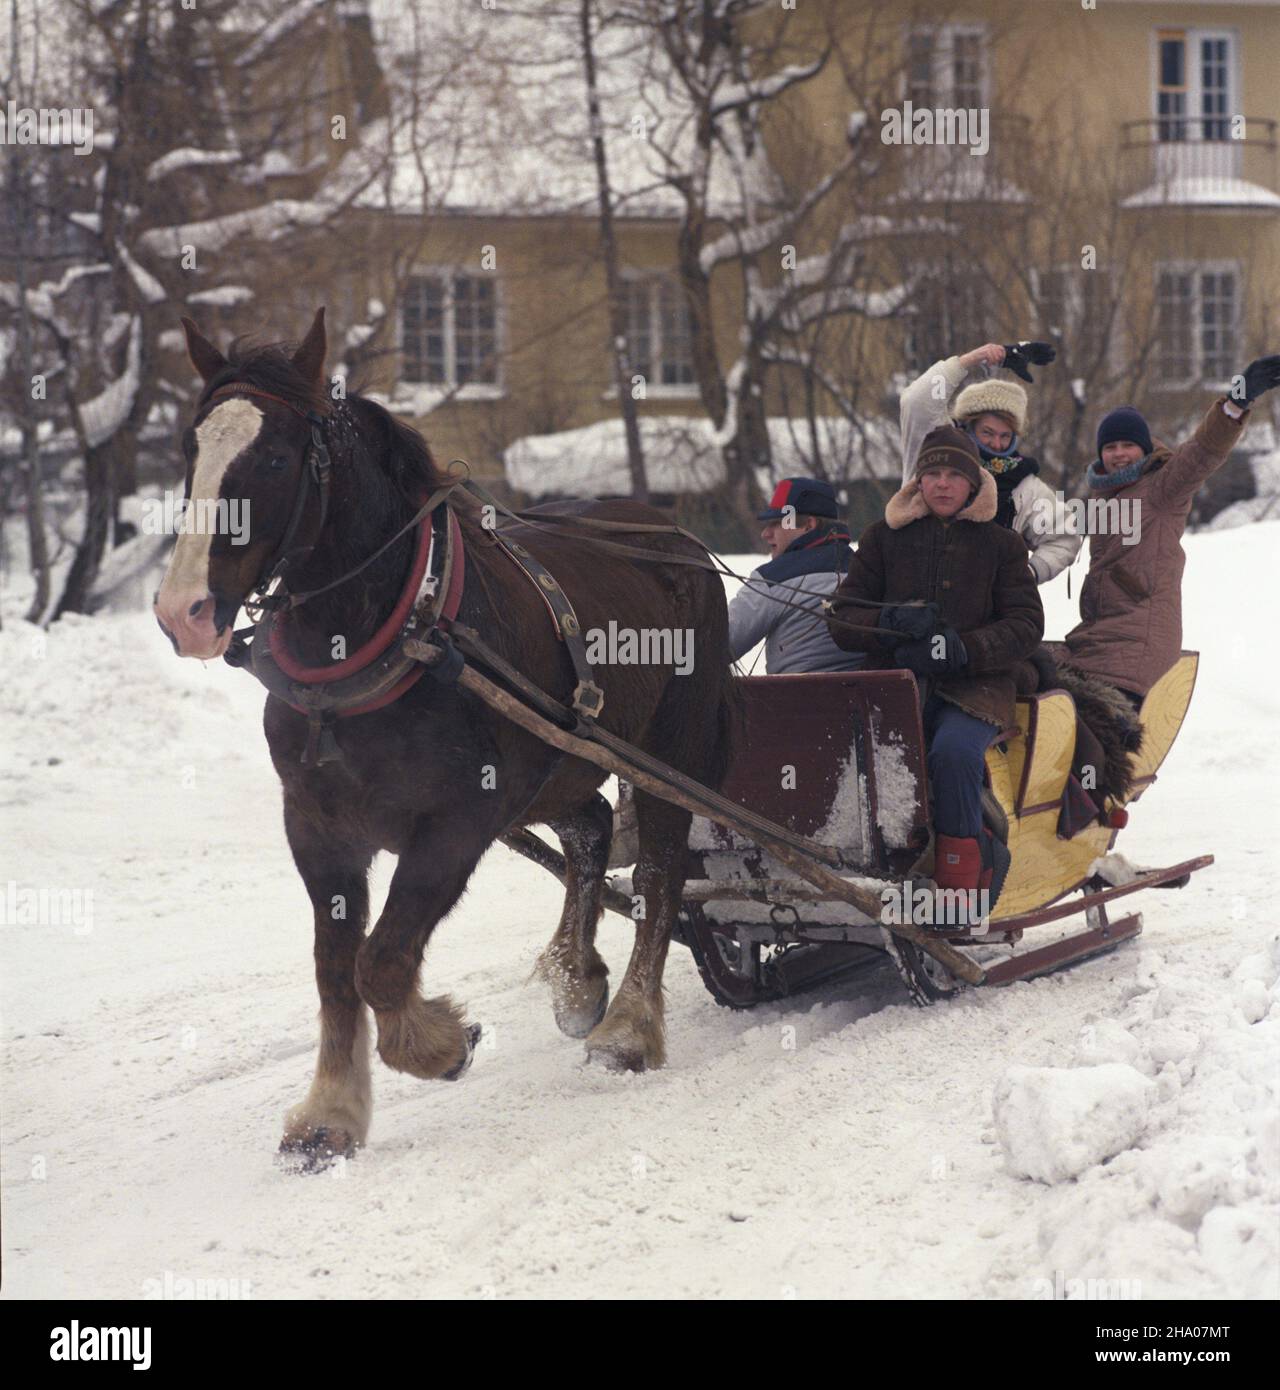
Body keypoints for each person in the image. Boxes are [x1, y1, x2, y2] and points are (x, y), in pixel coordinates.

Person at [827, 426, 1044, 913]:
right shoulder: (882, 538)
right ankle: (855, 873)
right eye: (933, 474)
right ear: (918, 483)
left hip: (975, 688)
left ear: (973, 484)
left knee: (950, 753)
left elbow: (1027, 625)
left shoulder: (1002, 545)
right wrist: (887, 622)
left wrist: (964, 649)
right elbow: (840, 619)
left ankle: (960, 884)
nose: (943, 484)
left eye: (954, 475)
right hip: (894, 685)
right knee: (853, 755)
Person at [1062, 354, 1279, 703]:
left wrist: (1236, 401)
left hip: (1139, 639)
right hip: (1097, 635)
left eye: (1128, 445)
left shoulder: (1163, 487)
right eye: (1110, 447)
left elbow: (1203, 450)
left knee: (1088, 718)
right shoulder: (1100, 499)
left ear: (1144, 449)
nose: (1119, 454)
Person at [900, 340, 1082, 583]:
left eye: (1005, 436)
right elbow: (917, 401)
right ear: (969, 426)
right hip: (915, 593)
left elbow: (1064, 537)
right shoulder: (934, 446)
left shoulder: (1024, 486)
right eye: (987, 432)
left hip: (983, 609)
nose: (996, 444)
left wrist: (1026, 574)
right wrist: (971, 359)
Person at [727, 477, 866, 674]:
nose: (765, 534)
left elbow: (718, 645)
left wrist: (669, 646)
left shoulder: (773, 579)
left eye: (778, 523)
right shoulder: (866, 570)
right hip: (872, 702)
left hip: (792, 703)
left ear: (808, 524)